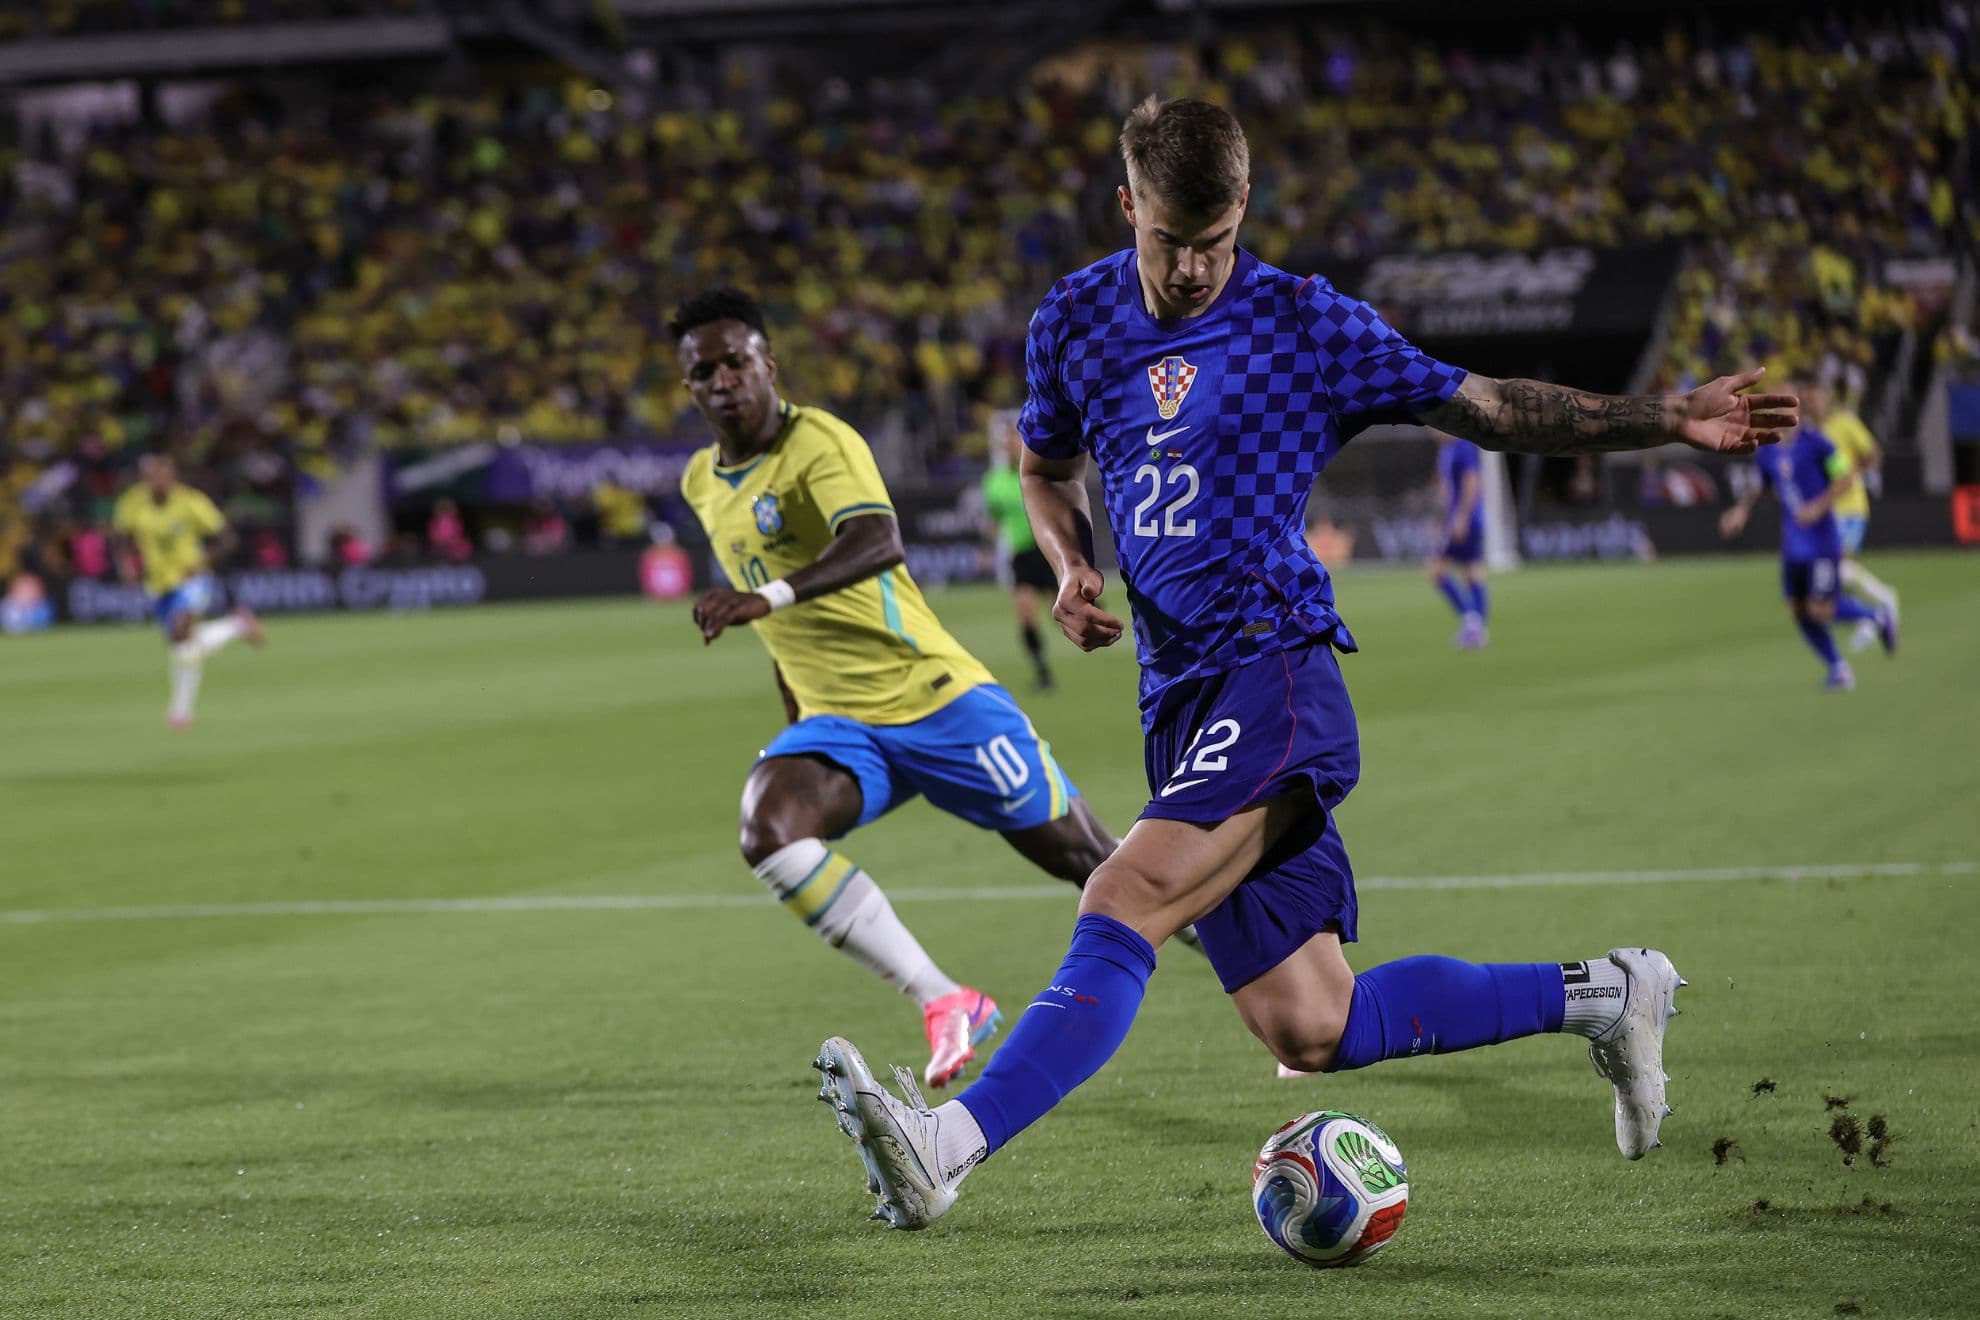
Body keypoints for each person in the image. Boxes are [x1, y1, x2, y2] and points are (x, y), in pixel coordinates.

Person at [813, 97, 1799, 1230]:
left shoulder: (1304, 324)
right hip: (1178, 698)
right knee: (1312, 1025)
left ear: (1245, 212)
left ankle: (948, 1142)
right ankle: (1611, 992)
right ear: (1126, 206)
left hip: (1274, 672)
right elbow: (1044, 468)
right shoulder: (1075, 319)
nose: (1192, 268)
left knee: (1122, 894)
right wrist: (1068, 563)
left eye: (1217, 241)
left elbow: (1486, 406)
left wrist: (1668, 415)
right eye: (1169, 241)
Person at [673, 287, 1120, 1090]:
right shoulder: (702, 483)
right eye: (703, 371)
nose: (722, 380)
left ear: (767, 364)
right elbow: (772, 608)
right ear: (690, 388)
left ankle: (1264, 979)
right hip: (839, 723)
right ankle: (946, 999)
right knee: (769, 829)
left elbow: (876, 541)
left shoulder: (820, 441)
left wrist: (764, 599)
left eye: (736, 361)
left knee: (1101, 867)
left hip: (935, 698)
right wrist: (795, 703)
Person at [1719, 395, 1897, 689]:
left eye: (1785, 408)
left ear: (1797, 412)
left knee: (1821, 610)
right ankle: (1838, 668)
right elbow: (1760, 485)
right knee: (1797, 609)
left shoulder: (1818, 443)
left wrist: (1818, 506)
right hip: (1794, 544)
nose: (1779, 414)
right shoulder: (1768, 450)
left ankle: (1876, 616)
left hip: (1823, 541)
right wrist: (1741, 511)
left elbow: (1846, 478)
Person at [110, 453, 264, 728]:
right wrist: (126, 566)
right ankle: (236, 625)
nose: (158, 481)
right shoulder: (132, 503)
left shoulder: (191, 501)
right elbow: (122, 538)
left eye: (163, 475)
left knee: (182, 633)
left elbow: (228, 540)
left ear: (172, 476)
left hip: (191, 579)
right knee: (185, 647)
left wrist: (201, 564)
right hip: (158, 583)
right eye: (152, 476)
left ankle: (180, 712)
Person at [1809, 387, 1899, 649]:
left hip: (1850, 508)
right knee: (1837, 574)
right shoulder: (1812, 435)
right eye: (1807, 400)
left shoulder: (1845, 423)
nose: (1811, 404)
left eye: (1814, 397)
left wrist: (1851, 475)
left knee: (1839, 566)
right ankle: (1870, 621)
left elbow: (1873, 454)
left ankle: (1884, 600)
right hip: (1828, 511)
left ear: (1825, 398)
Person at [979, 411, 1058, 690]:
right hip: (1022, 554)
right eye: (1007, 441)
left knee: (1058, 611)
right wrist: (987, 549)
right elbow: (994, 519)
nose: (1011, 446)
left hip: (1045, 549)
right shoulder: (994, 482)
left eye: (1015, 440)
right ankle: (1043, 672)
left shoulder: (1038, 471)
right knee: (1025, 613)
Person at [1428, 430, 1489, 648]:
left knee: (1439, 571)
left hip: (1465, 520)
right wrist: (1439, 521)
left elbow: (1472, 481)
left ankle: (1473, 624)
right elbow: (1446, 491)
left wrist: (1462, 516)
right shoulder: (1447, 450)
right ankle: (1475, 627)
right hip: (1456, 519)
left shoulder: (1463, 446)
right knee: (1470, 571)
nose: (1432, 432)